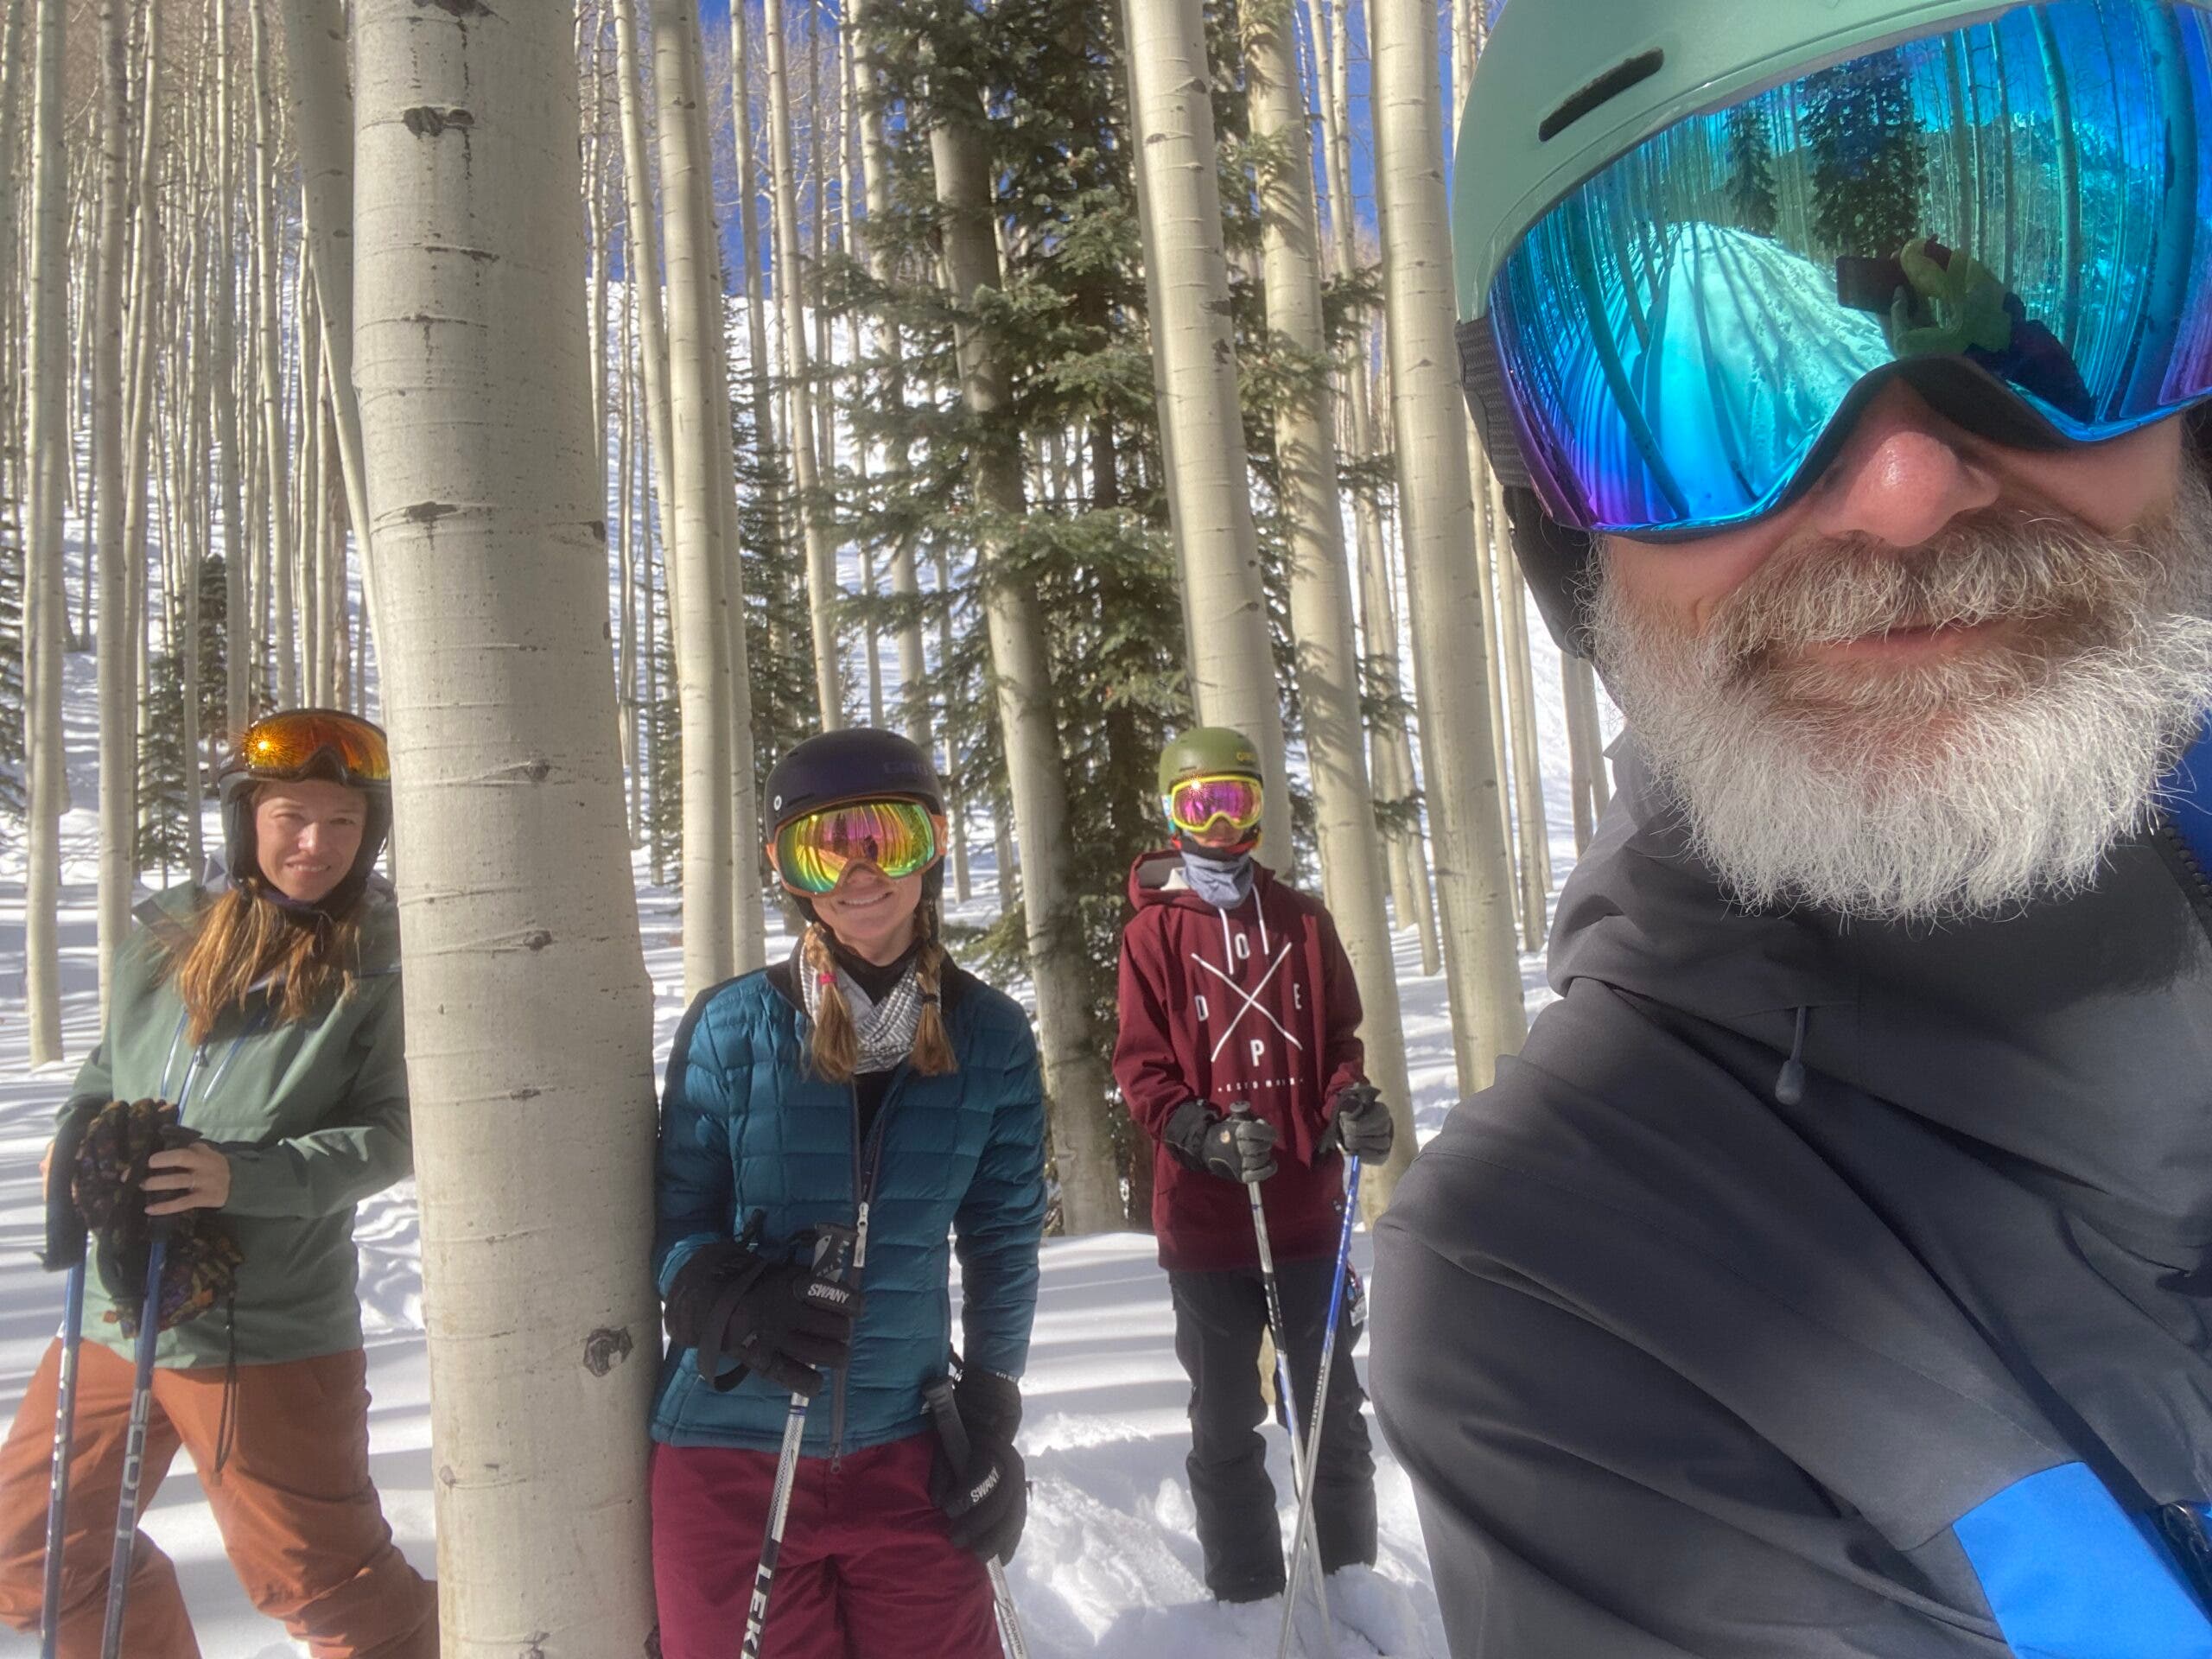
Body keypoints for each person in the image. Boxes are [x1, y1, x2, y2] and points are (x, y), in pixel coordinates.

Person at [1374, 1, 2212, 1654]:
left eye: (2067, 311)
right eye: (1694, 412)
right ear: (1571, 541)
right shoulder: (1580, 1293)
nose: (1904, 491)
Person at [0, 709, 436, 1656]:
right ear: (246, 821)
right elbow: (106, 1076)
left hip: (265, 1320)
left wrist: (236, 1176)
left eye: (344, 823)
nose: (315, 844)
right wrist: (77, 1139)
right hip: (116, 1308)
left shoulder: (387, 961)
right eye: (290, 817)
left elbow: (402, 1135)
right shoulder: (171, 940)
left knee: (323, 1585)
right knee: (33, 1553)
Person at [649, 728, 1046, 1659]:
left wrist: (990, 1414)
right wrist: (728, 1299)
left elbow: (1003, 1237)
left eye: (890, 839)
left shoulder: (990, 1035)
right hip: (728, 1455)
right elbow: (676, 1219)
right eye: (826, 845)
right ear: (787, 871)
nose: (860, 870)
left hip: (908, 1452)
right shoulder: (734, 1023)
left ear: (933, 847)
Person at [1112, 727, 1394, 1604]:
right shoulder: (1152, 935)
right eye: (1201, 807)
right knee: (1227, 1417)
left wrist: (1347, 1105)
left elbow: (1339, 1040)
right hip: (1205, 1223)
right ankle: (1247, 1598)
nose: (1222, 827)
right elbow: (1140, 1066)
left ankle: (1348, 1589)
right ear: (1172, 816)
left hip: (1304, 1211)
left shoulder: (1302, 919)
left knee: (1328, 1411)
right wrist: (1197, 1133)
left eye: (1237, 804)